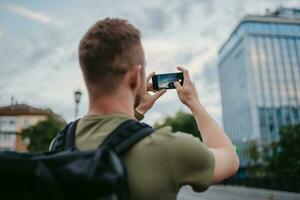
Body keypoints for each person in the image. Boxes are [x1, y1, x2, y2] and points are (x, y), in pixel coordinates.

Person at [76, 18, 239, 200]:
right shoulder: (167, 148)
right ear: (135, 76)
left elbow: (110, 136)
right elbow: (229, 157)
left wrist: (138, 111)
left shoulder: (61, 142)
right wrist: (193, 102)